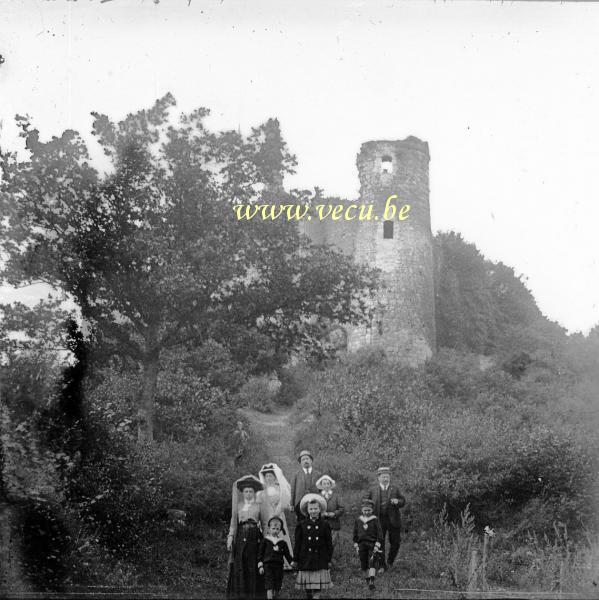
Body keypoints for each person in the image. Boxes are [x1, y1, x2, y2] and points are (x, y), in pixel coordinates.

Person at [226, 475, 267, 599]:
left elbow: (265, 524)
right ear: (242, 493)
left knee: (252, 562)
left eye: (251, 491)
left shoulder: (259, 506)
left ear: (254, 493)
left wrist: (267, 541)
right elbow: (233, 522)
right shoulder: (238, 505)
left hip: (254, 537)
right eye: (246, 491)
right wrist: (230, 537)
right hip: (240, 536)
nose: (248, 494)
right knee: (240, 562)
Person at [291, 493, 333, 599]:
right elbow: (298, 543)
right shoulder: (302, 525)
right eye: (311, 509)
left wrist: (328, 559)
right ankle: (309, 595)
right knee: (308, 586)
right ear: (307, 510)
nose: (313, 511)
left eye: (315, 509)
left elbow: (329, 543)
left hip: (320, 557)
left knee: (317, 585)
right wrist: (295, 559)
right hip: (306, 558)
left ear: (320, 509)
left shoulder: (325, 524)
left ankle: (316, 596)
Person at [365, 466, 406, 571]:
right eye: (383, 477)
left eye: (387, 477)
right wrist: (369, 509)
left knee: (396, 543)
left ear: (390, 477)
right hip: (379, 520)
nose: (385, 479)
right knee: (380, 543)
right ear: (378, 478)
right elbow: (365, 502)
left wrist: (398, 502)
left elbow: (403, 501)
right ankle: (382, 565)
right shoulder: (373, 489)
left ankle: (390, 561)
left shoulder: (395, 489)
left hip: (393, 520)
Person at [257, 463, 293, 569]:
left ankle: (284, 562)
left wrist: (278, 509)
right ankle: (268, 559)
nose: (268, 478)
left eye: (270, 476)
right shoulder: (261, 489)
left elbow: (284, 501)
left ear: (275, 477)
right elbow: (259, 503)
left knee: (279, 534)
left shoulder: (279, 488)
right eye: (266, 476)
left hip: (277, 514)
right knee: (267, 535)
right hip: (265, 515)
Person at [257, 516, 292, 600]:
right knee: (269, 585)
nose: (275, 531)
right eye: (273, 528)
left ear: (280, 530)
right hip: (268, 566)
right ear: (269, 529)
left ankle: (275, 596)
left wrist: (292, 562)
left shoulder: (282, 542)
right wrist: (260, 565)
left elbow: (287, 555)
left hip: (279, 566)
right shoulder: (265, 541)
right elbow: (260, 553)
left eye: (277, 529)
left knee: (277, 585)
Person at [353, 498, 384, 591]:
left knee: (372, 562)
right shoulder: (358, 520)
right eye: (365, 510)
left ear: (372, 510)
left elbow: (380, 534)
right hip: (361, 544)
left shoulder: (375, 520)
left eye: (369, 510)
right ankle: (367, 578)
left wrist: (377, 545)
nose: (367, 512)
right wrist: (355, 543)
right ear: (362, 510)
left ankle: (372, 581)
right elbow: (355, 532)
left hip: (372, 544)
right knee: (363, 563)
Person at [315, 475, 344, 557]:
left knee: (332, 542)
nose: (326, 485)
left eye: (328, 484)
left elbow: (342, 508)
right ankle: (323, 559)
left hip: (334, 523)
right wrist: (321, 513)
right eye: (324, 484)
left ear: (331, 485)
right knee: (322, 541)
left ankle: (330, 559)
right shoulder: (318, 496)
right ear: (321, 485)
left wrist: (334, 513)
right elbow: (315, 508)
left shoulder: (336, 496)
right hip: (321, 522)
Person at [290, 450, 322, 520]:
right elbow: (293, 490)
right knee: (301, 523)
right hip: (299, 502)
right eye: (303, 459)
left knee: (315, 521)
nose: (305, 461)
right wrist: (292, 504)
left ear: (311, 461)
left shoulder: (318, 474)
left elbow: (321, 490)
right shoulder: (296, 474)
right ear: (300, 462)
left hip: (315, 503)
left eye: (307, 459)